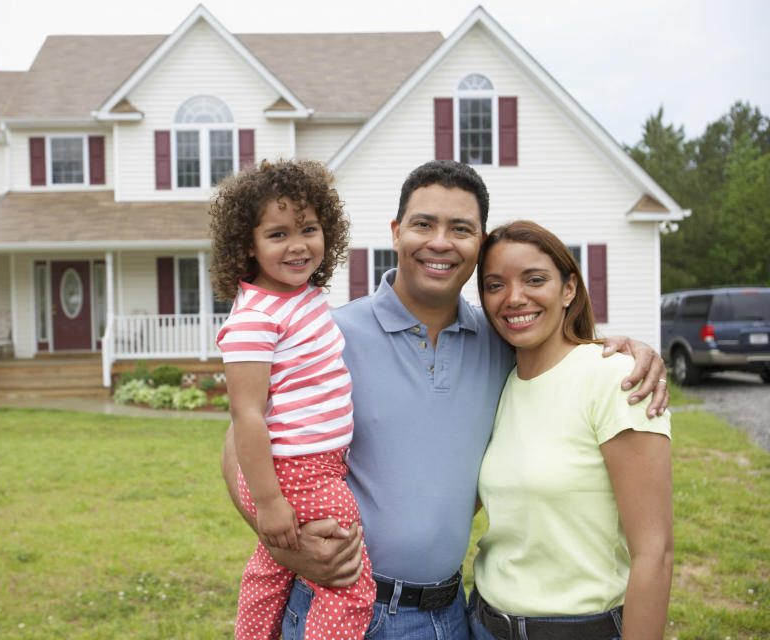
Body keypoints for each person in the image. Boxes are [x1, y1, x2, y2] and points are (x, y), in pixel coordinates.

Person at [221, 160, 670, 640]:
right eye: (423, 224)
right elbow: (238, 447)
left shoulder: (502, 346)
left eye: (460, 229)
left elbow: (558, 350)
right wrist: (286, 546)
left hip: (449, 614)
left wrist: (624, 349)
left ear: (479, 244)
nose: (440, 242)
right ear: (396, 232)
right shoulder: (331, 334)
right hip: (340, 603)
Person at [469, 220, 673, 640]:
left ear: (569, 289)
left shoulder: (615, 379)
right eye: (495, 285)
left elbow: (655, 553)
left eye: (535, 279)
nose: (514, 298)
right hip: (483, 622)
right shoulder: (502, 382)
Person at [210, 159, 375, 640]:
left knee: (272, 569)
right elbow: (246, 414)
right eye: (278, 234)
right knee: (348, 585)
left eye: (309, 228)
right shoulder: (254, 319)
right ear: (248, 244)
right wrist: (269, 503)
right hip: (296, 472)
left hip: (305, 467)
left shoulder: (301, 296)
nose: (299, 244)